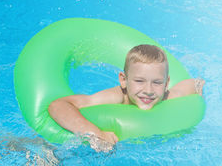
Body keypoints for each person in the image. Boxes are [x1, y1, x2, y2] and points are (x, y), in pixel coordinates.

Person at [48, 44, 205, 147]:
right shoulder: (117, 98)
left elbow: (194, 84)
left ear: (166, 83)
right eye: (139, 81)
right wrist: (96, 134)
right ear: (124, 80)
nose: (148, 90)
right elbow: (58, 106)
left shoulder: (168, 97)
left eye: (157, 82)